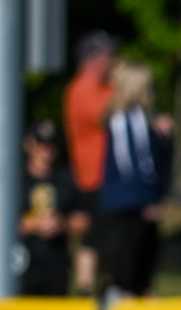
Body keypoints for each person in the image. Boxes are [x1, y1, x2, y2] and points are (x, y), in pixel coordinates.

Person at [95, 61, 176, 299]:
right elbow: (134, 165)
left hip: (131, 202)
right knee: (125, 272)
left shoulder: (138, 120)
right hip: (128, 205)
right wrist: (149, 199)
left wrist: (164, 139)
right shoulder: (124, 121)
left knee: (140, 267)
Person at [16, 122, 80, 310]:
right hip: (21, 263)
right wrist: (32, 224)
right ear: (29, 145)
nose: (47, 151)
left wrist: (61, 223)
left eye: (51, 146)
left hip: (54, 262)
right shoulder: (14, 179)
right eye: (41, 145)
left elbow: (83, 219)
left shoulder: (64, 179)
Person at [62, 32, 116, 295]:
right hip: (91, 177)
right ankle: (85, 287)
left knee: (103, 236)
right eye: (108, 56)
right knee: (92, 237)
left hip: (105, 178)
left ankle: (102, 285)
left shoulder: (104, 88)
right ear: (95, 59)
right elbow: (106, 114)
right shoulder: (82, 89)